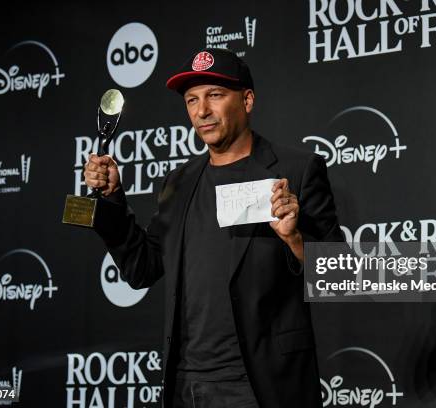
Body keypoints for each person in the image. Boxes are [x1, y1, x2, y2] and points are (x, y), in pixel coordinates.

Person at [84, 49, 344, 408]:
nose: (201, 111)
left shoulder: (296, 170)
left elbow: (340, 275)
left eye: (215, 96)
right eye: (192, 100)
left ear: (247, 100)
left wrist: (295, 238)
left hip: (260, 388)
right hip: (185, 385)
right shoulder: (179, 182)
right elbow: (142, 268)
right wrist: (112, 198)